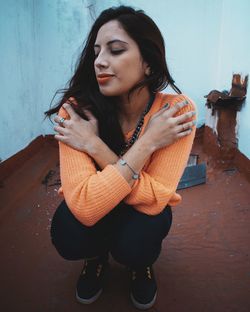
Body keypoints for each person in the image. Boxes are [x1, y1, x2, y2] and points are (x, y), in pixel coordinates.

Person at [45, 5, 196, 310]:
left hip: (141, 214)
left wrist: (94, 146)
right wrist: (147, 144)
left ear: (149, 64)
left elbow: (156, 199)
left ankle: (141, 265)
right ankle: (95, 257)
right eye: (96, 51)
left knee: (139, 240)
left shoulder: (175, 113)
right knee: (68, 231)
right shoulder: (77, 112)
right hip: (99, 207)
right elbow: (86, 206)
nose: (99, 61)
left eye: (115, 50)